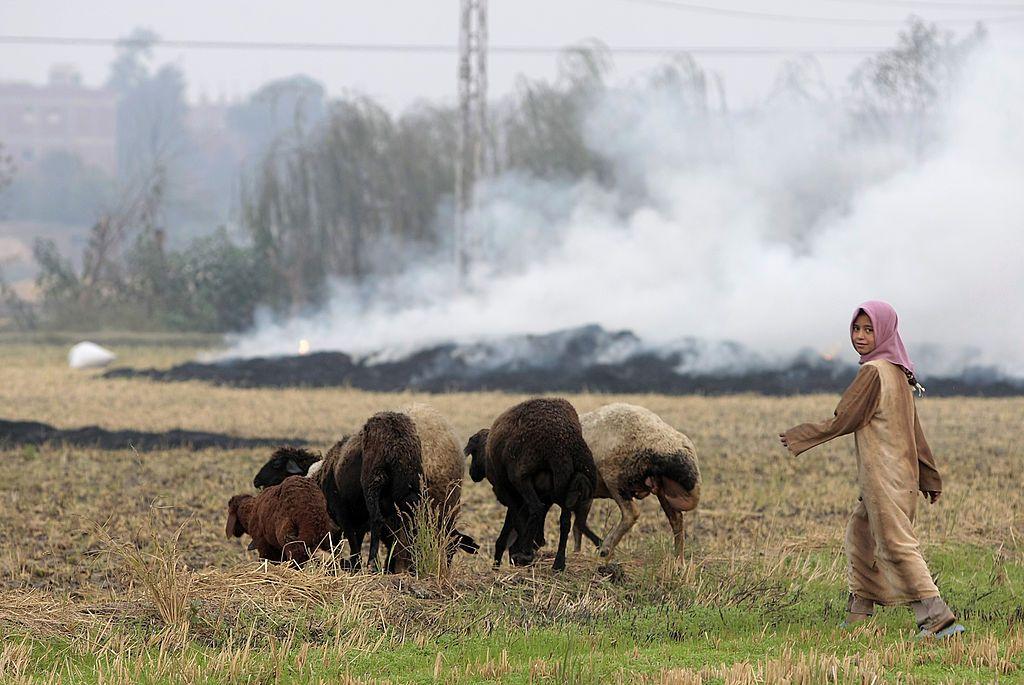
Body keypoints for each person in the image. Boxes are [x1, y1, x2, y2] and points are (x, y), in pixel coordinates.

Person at [779, 300, 964, 639]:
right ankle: (858, 613)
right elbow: (916, 432)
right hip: (899, 475)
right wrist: (928, 476)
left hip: (884, 477)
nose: (860, 336)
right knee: (861, 536)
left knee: (896, 544)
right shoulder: (896, 371)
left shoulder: (874, 372)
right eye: (856, 328)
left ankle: (938, 619)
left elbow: (845, 417)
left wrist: (800, 436)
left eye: (869, 330)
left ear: (885, 332)